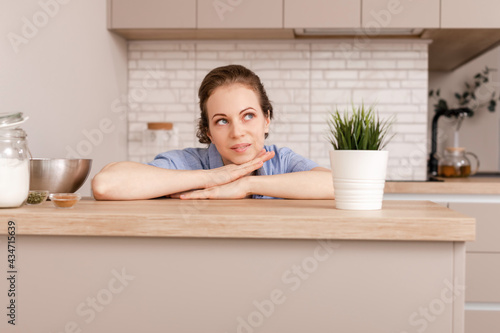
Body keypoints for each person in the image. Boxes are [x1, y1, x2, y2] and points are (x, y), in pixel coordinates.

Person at [92, 65, 334, 200]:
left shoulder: (281, 161)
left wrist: (247, 185)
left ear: (266, 120)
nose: (237, 132)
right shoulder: (190, 163)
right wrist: (212, 177)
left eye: (248, 116)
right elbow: (105, 184)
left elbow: (339, 185)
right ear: (207, 131)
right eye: (221, 121)